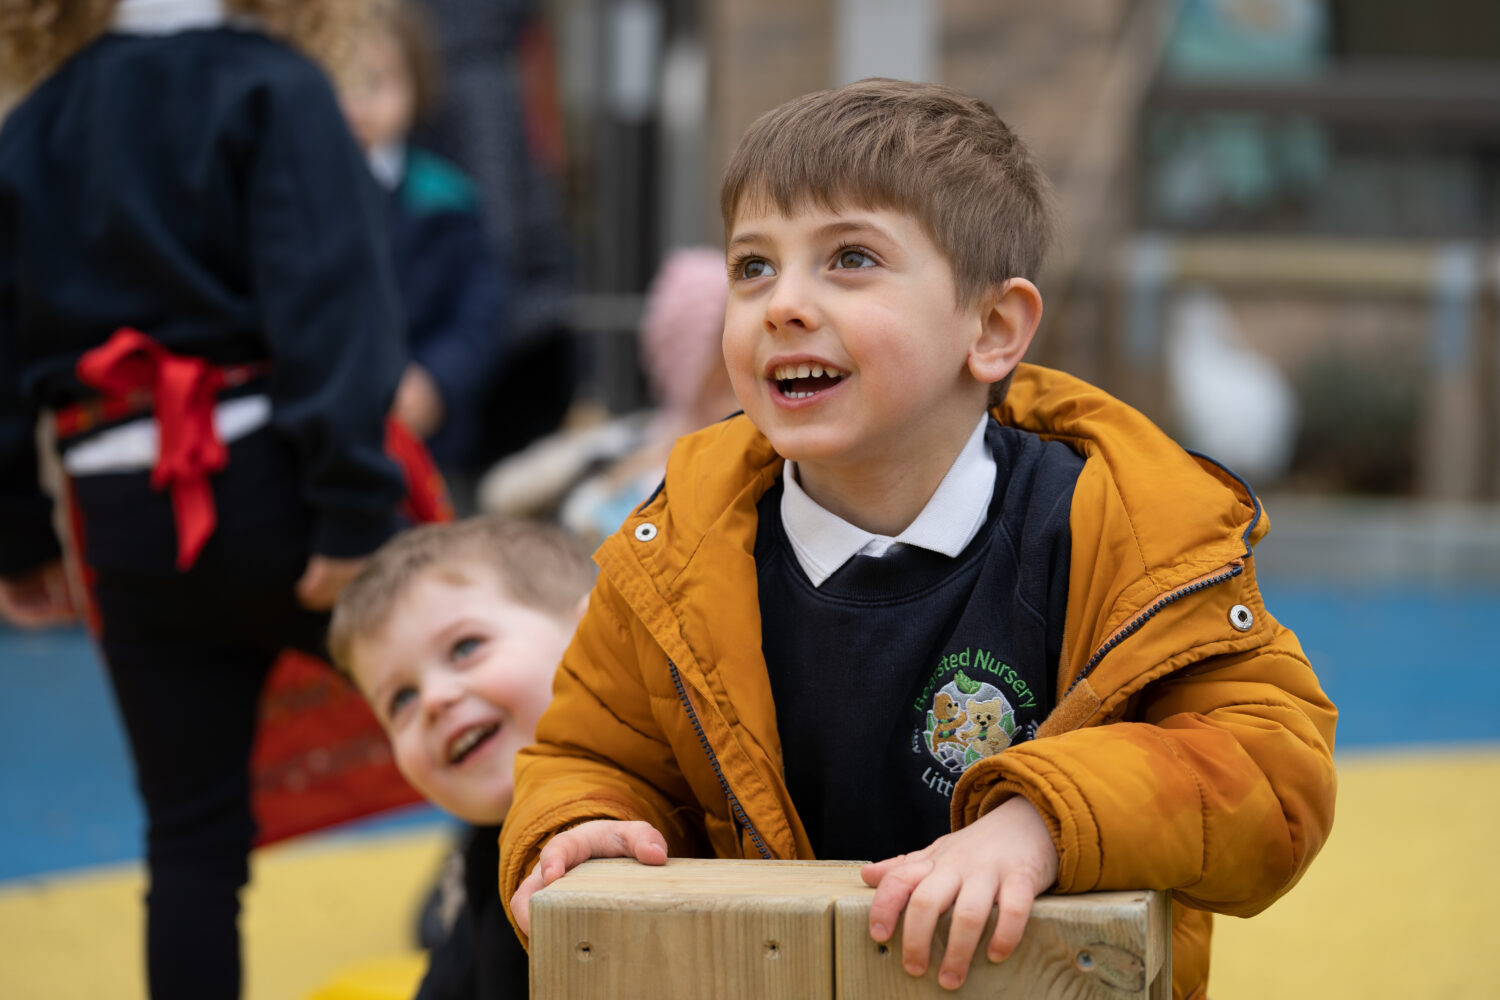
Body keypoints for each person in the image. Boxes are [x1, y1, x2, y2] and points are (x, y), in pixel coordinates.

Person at [499, 79, 1338, 1000]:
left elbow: (1271, 770)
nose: (783, 304)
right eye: (753, 267)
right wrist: (578, 825)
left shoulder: (1124, 528)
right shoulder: (677, 550)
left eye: (850, 258)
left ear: (992, 328)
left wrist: (1044, 822)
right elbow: (591, 757)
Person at [0, 1, 418, 996]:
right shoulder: (274, 85)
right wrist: (355, 503)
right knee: (489, 736)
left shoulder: (36, 122)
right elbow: (331, 298)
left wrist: (19, 537)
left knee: (191, 839)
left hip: (121, 506)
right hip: (277, 480)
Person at [327, 516, 595, 1000]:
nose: (432, 701)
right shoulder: (485, 860)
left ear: (591, 634)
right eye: (400, 700)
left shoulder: (671, 808)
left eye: (465, 647)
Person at [337, 0, 509, 488]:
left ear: (416, 86)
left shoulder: (446, 197)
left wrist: (437, 380)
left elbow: (481, 310)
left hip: (430, 439)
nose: (357, 105)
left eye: (376, 82)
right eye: (340, 83)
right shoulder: (296, 196)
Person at [477, 245, 735, 547]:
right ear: (689, 360)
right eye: (721, 352)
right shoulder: (623, 453)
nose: (740, 362)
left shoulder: (762, 461)